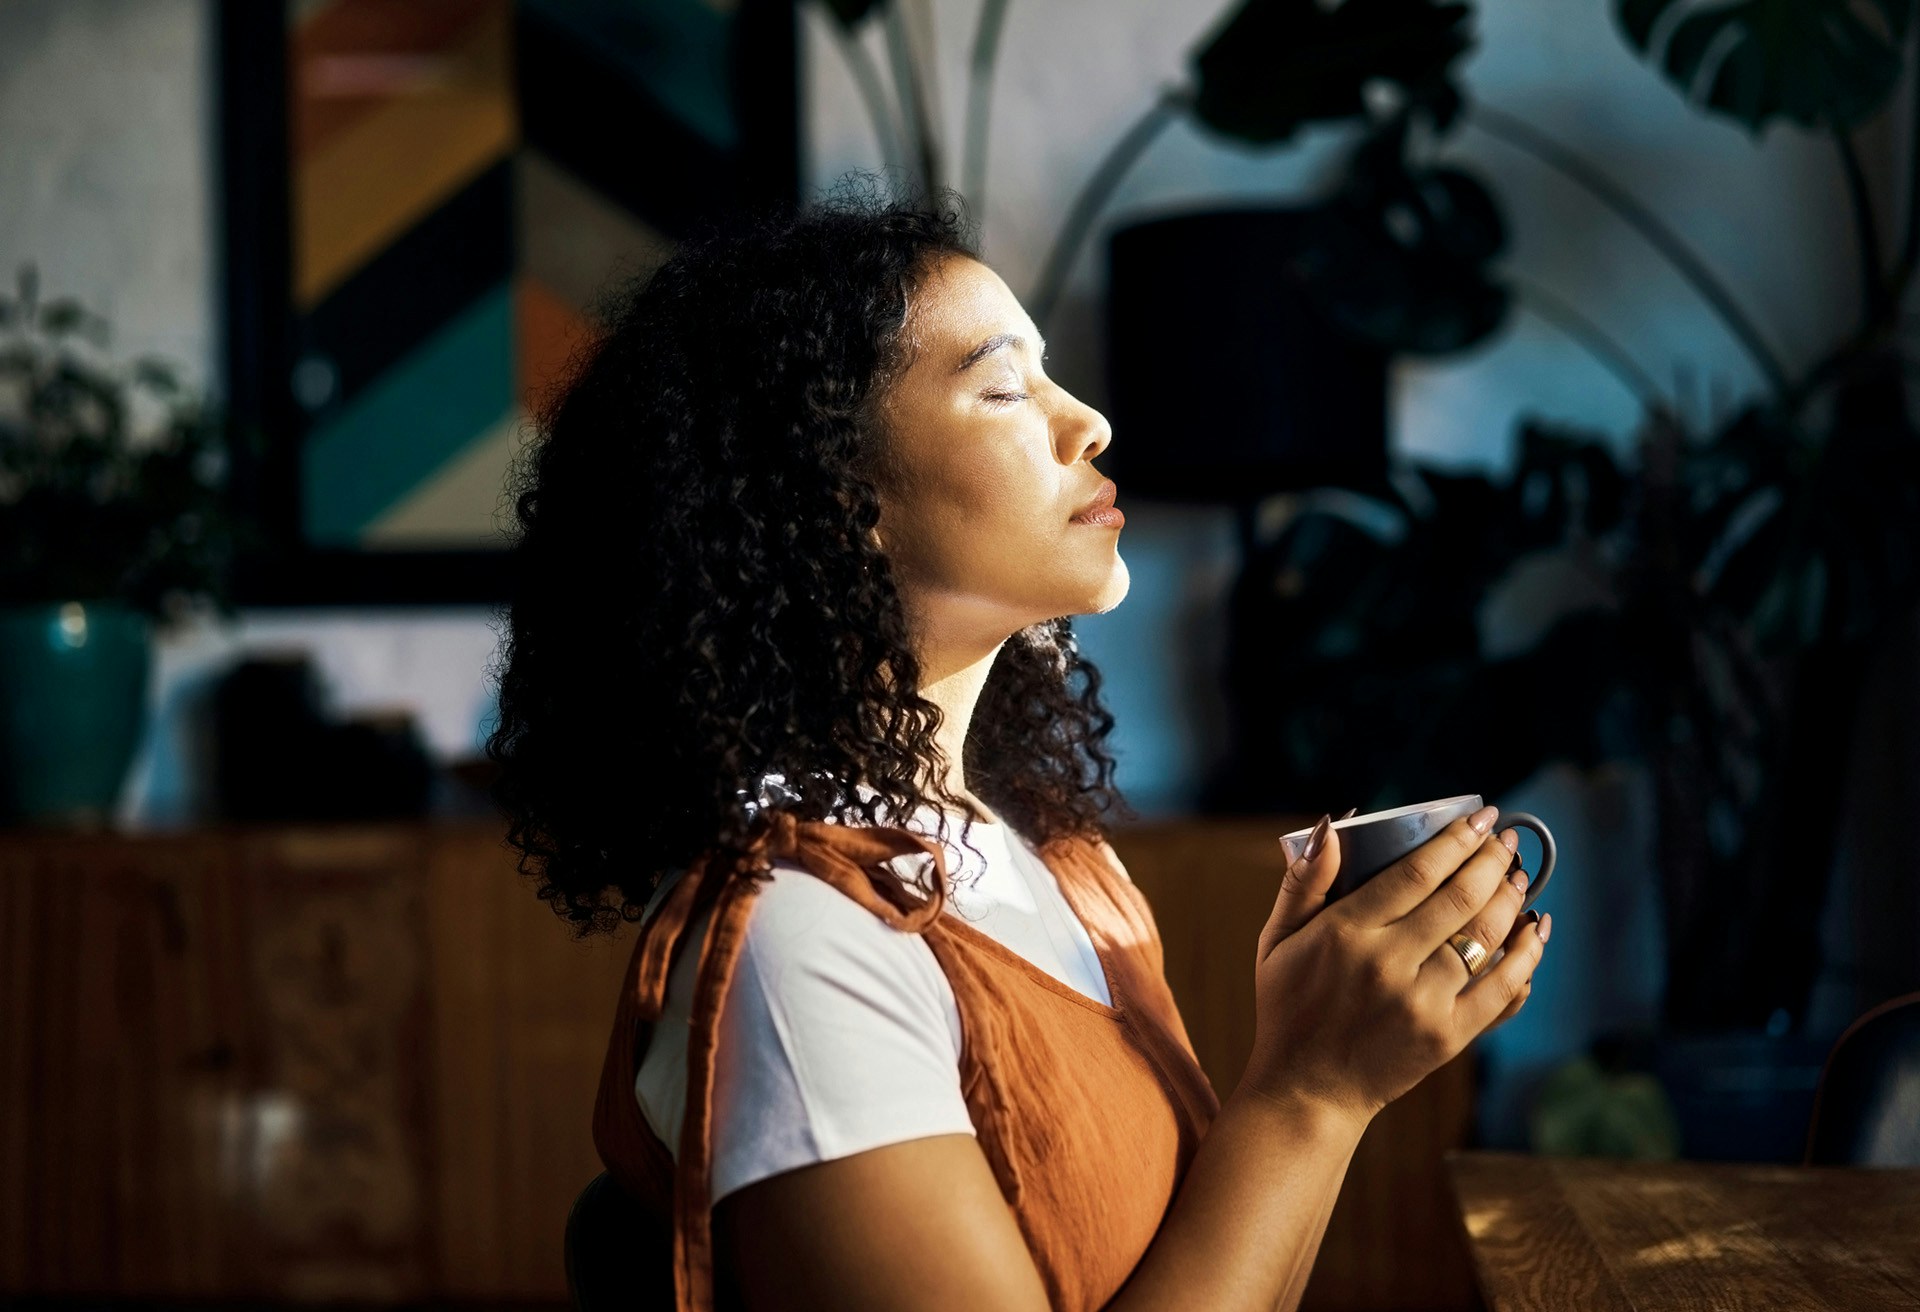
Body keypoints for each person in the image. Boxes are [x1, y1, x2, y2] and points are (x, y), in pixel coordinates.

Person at [485, 176, 1550, 1312]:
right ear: (841, 495)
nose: (1087, 421)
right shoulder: (799, 950)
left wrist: (1325, 1074)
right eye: (1003, 388)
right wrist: (1310, 1093)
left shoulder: (1056, 860)